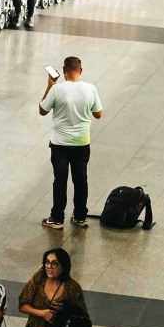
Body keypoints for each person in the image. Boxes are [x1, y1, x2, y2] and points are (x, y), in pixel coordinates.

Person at [38, 57, 103, 230]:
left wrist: (50, 85)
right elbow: (98, 114)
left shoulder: (57, 89)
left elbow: (42, 110)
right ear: (80, 70)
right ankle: (80, 216)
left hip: (60, 145)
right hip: (82, 144)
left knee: (60, 180)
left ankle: (57, 218)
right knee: (81, 180)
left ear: (63, 71)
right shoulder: (91, 89)